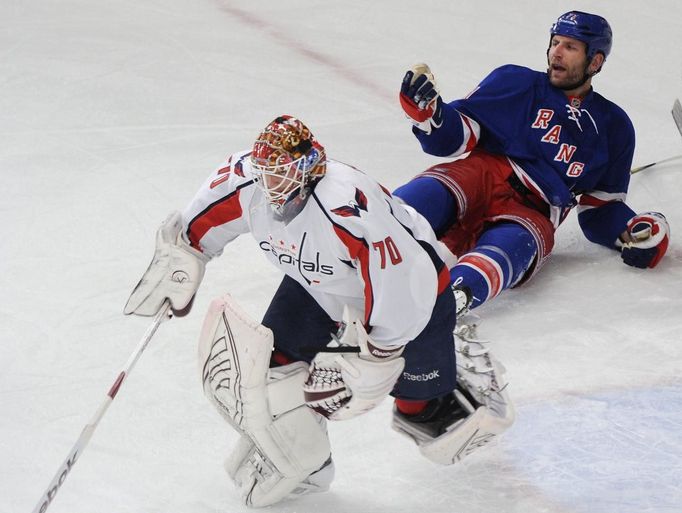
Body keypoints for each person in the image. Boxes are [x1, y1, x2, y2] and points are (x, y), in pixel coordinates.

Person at [122, 115, 514, 507]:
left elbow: (403, 279)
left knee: (425, 417)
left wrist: (380, 351)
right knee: (271, 373)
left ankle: (459, 385)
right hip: (319, 284)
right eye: (264, 172)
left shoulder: (345, 205)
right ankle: (308, 467)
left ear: (308, 168)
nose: (268, 184)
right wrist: (181, 257)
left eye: (279, 173)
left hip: (415, 294)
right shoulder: (249, 182)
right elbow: (203, 219)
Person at [395, 11, 670, 319]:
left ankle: (452, 301)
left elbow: (600, 210)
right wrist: (431, 117)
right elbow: (457, 136)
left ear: (595, 61)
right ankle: (359, 245)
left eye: (570, 46)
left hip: (536, 208)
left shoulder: (614, 127)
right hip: (483, 172)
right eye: (555, 42)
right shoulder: (514, 81)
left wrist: (632, 233)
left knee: (512, 244)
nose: (557, 51)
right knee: (415, 203)